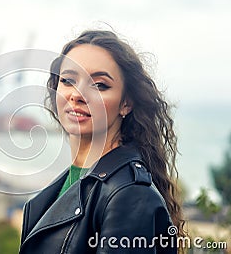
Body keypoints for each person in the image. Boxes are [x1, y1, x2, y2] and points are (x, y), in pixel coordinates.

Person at [19, 30, 185, 253]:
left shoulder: (129, 195)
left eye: (99, 85)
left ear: (126, 103)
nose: (77, 94)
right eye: (68, 80)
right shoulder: (70, 181)